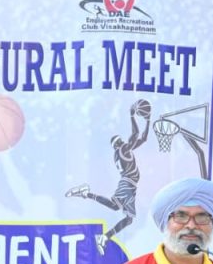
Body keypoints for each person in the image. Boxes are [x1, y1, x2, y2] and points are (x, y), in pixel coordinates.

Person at [65, 99, 151, 255]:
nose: (123, 141)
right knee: (120, 211)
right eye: (121, 140)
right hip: (128, 183)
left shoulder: (121, 152)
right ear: (118, 144)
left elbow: (143, 139)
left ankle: (104, 236)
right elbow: (135, 134)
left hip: (129, 184)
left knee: (125, 215)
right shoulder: (123, 150)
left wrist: (148, 120)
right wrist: (132, 115)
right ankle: (87, 195)